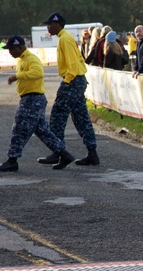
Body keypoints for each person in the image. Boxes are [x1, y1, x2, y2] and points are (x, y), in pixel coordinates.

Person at [0, 35, 75, 172]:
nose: (10, 52)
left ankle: (12, 160)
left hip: (32, 100)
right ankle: (64, 154)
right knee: (43, 131)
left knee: (19, 129)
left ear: (20, 47)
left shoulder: (31, 59)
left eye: (12, 49)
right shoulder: (22, 60)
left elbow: (38, 72)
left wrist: (17, 76)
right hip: (31, 99)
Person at [39, 12, 99, 167]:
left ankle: (58, 152)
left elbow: (72, 63)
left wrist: (66, 81)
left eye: (50, 24)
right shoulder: (66, 37)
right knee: (81, 117)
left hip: (72, 80)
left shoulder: (64, 39)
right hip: (78, 80)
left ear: (57, 25)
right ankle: (92, 153)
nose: (48, 27)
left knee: (57, 116)